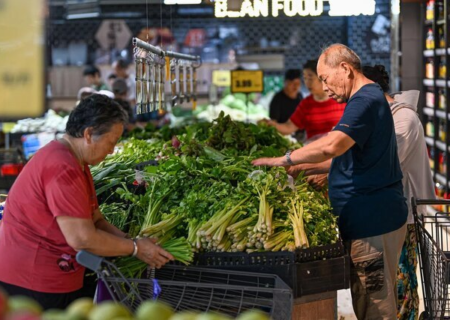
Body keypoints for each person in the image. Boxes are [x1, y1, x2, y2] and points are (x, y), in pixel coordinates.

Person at [252, 44, 408, 319]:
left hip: (372, 224)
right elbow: (352, 157)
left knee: (376, 309)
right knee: (366, 302)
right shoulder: (367, 99)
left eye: (324, 78)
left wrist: (285, 158)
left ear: (345, 69)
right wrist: (306, 165)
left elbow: (332, 146)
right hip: (369, 221)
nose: (324, 87)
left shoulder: (364, 101)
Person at [0, 94, 173, 310]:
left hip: (53, 275)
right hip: (35, 280)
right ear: (89, 134)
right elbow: (82, 238)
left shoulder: (76, 161)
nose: (111, 150)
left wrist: (132, 240)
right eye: (111, 142)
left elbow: (96, 220)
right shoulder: (61, 165)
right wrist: (136, 249)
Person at [363, 65, 435, 320]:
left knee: (402, 283)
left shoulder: (404, 119)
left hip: (404, 215)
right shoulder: (381, 117)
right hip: (385, 213)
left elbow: (385, 161)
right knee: (387, 283)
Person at [265, 60, 346, 143]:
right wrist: (271, 125)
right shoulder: (305, 104)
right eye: (305, 78)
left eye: (310, 78)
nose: (307, 83)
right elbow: (288, 127)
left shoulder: (341, 100)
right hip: (316, 153)